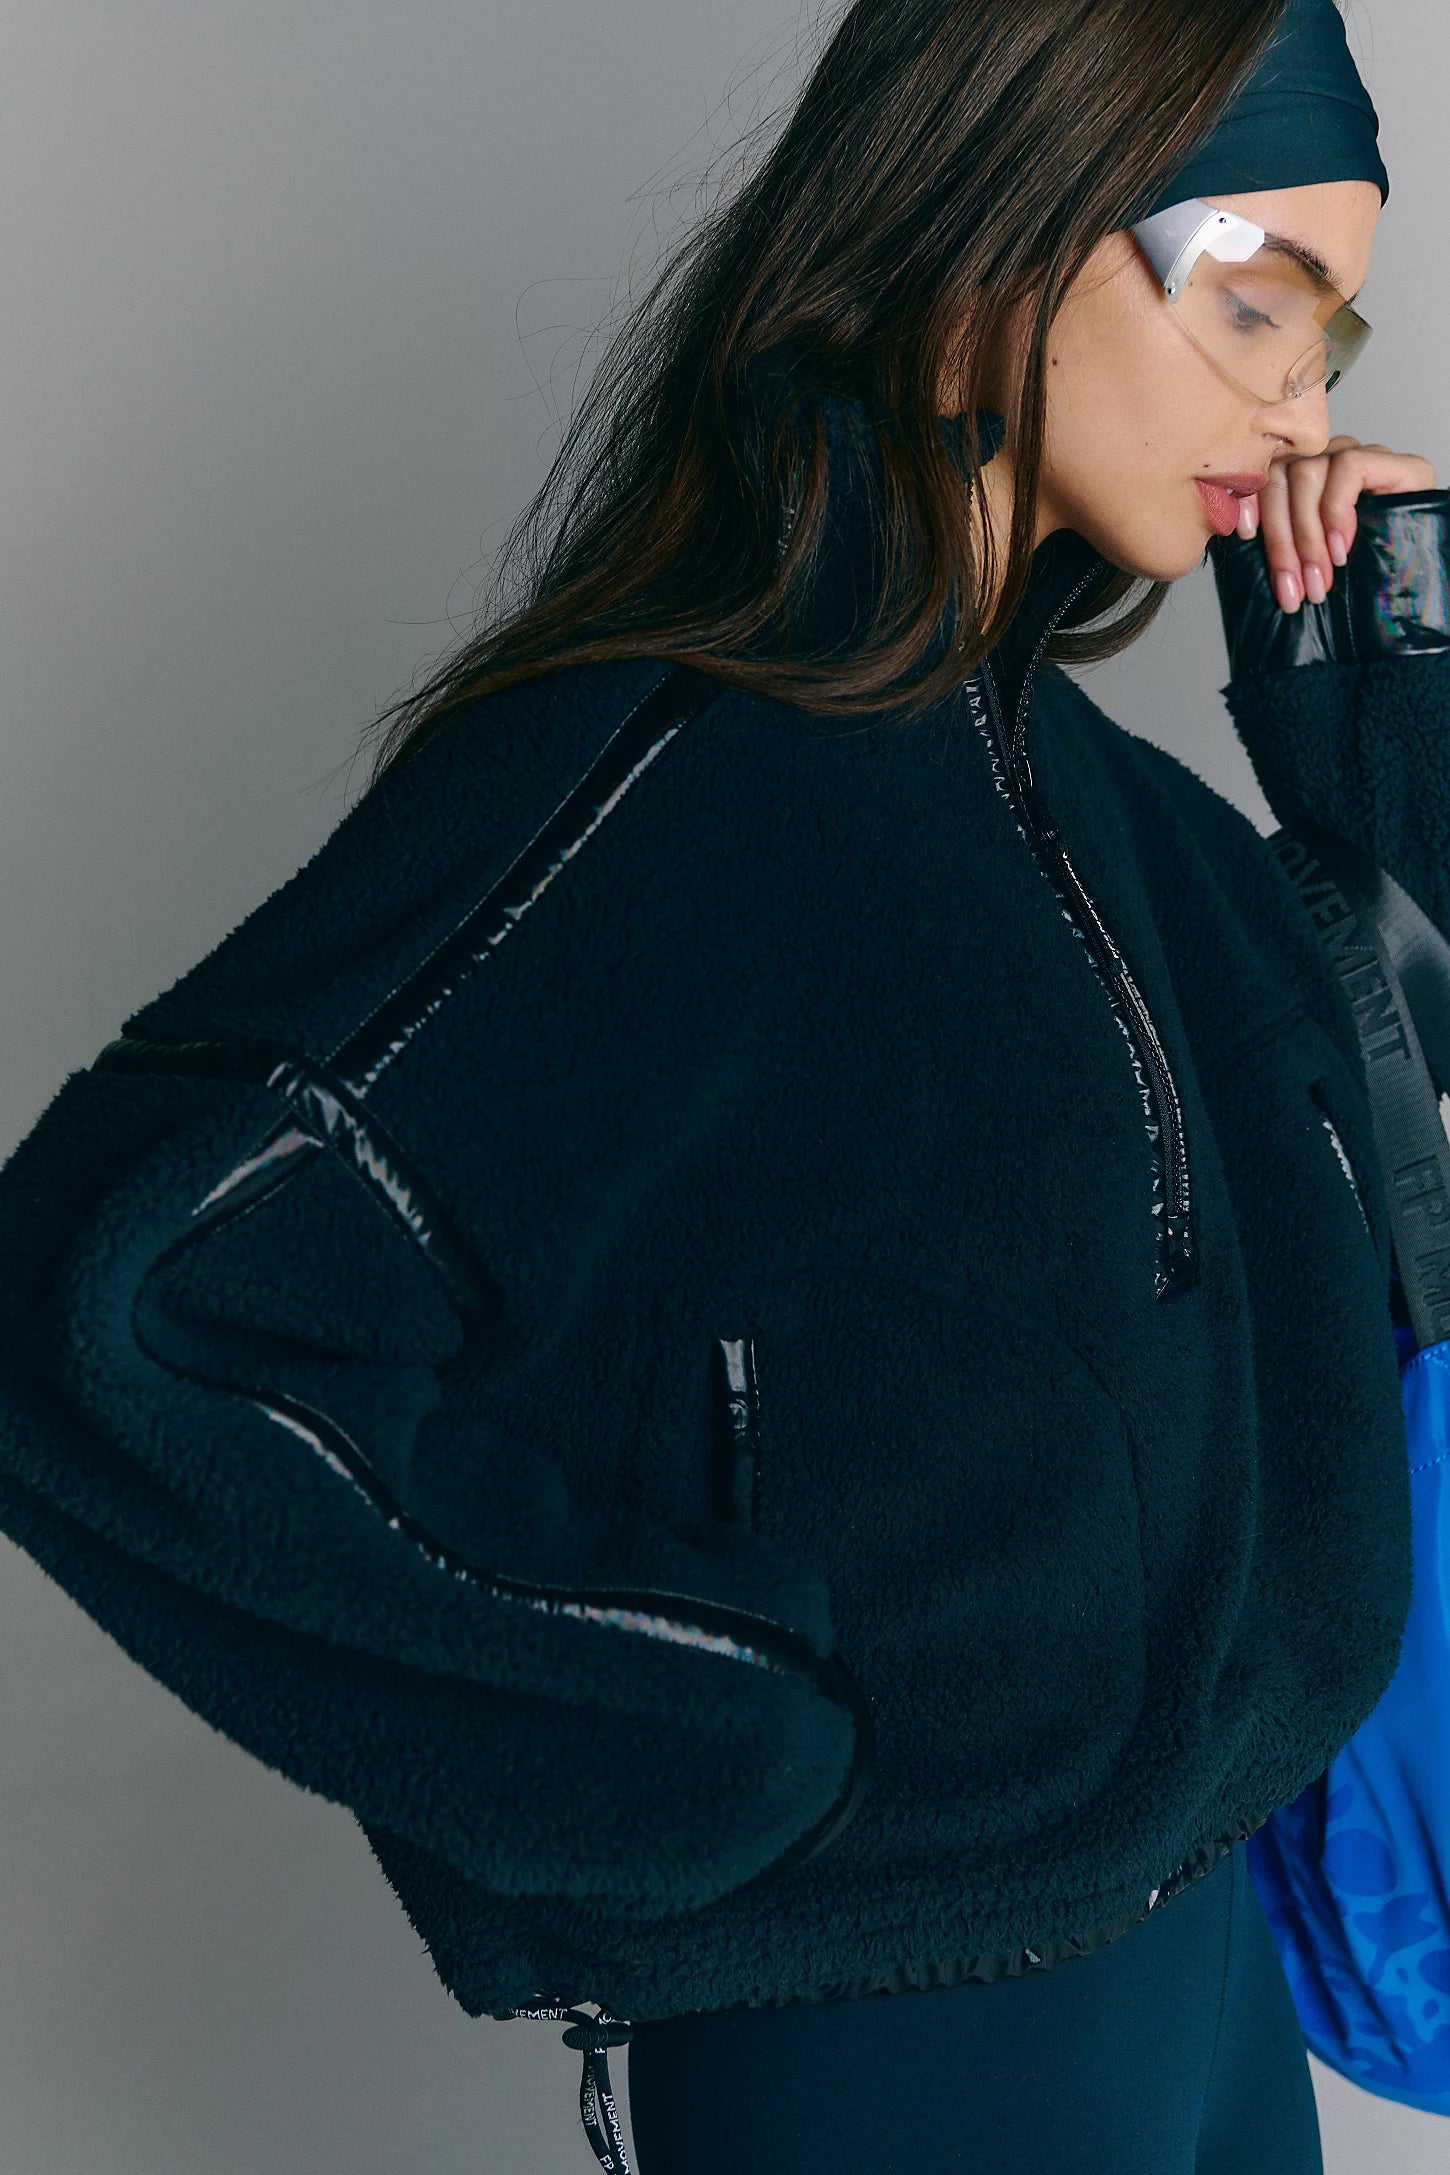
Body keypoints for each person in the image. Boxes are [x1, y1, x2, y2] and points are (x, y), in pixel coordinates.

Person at [0, 0, 1442, 2168]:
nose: (1301, 404)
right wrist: (697, 1729)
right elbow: (111, 1313)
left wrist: (1380, 718)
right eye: (1255, 303)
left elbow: (1405, 1212)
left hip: (1202, 1975)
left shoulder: (1136, 829)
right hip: (884, 2035)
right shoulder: (651, 763)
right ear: (1000, 228)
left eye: (1328, 336)